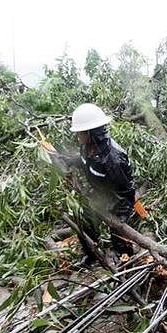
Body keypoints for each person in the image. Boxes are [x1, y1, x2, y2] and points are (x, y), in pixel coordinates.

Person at [69, 103, 136, 259]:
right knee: (84, 221)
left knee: (119, 237)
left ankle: (125, 259)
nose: (78, 137)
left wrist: (119, 218)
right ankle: (91, 253)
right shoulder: (87, 147)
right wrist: (68, 161)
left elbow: (126, 192)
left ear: (92, 133)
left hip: (117, 201)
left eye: (81, 133)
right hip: (98, 194)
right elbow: (84, 161)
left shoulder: (113, 159)